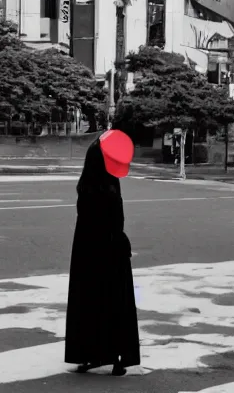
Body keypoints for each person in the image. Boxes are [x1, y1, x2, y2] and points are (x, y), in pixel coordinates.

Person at [65, 130, 139, 376]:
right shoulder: (110, 185)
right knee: (116, 302)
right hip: (111, 246)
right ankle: (118, 356)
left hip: (88, 249)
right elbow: (116, 218)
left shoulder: (86, 184)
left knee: (88, 302)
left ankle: (90, 353)